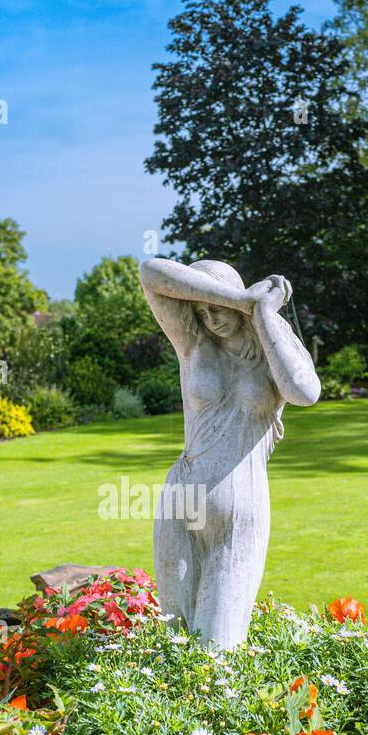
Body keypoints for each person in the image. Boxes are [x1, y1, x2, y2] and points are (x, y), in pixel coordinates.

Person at [139, 257, 320, 649]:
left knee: (216, 650)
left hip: (239, 508)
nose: (211, 317)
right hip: (181, 499)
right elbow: (150, 273)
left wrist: (263, 312)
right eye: (202, 310)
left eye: (217, 308)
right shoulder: (192, 344)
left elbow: (304, 392)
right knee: (174, 645)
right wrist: (239, 298)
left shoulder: (272, 350)